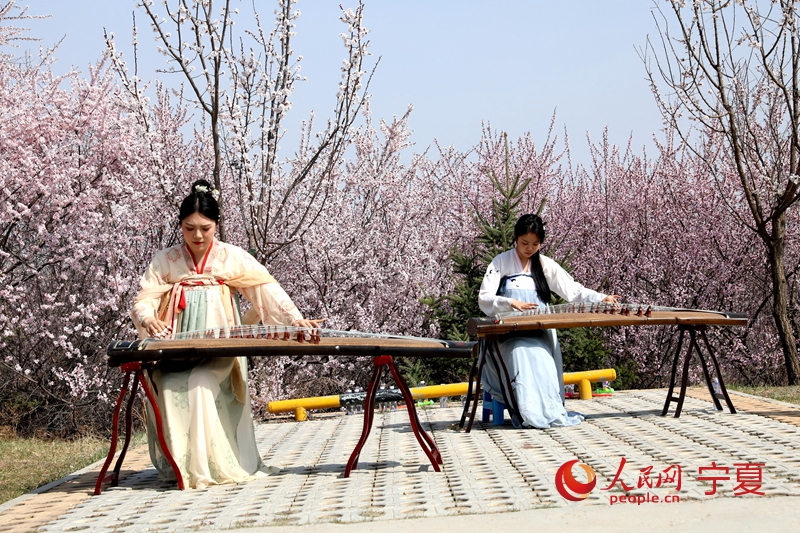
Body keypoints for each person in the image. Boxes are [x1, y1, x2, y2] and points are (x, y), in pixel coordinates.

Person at [131, 180, 320, 488]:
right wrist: (149, 318)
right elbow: (144, 298)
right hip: (177, 350)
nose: (197, 236)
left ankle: (211, 466)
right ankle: (183, 467)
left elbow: (265, 289)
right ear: (180, 226)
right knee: (166, 383)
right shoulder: (165, 260)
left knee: (200, 383)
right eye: (189, 228)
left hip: (220, 349)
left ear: (216, 225)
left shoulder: (232, 256)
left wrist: (295, 320)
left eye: (205, 228)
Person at [478, 214, 619, 429]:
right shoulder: (501, 262)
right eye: (524, 243)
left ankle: (547, 410)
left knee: (542, 356)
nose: (529, 248)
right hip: (508, 335)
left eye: (535, 244)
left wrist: (601, 298)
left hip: (539, 332)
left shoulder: (545, 264)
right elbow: (484, 298)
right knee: (520, 352)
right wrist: (510, 302)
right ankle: (527, 411)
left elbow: (573, 290)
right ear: (515, 237)